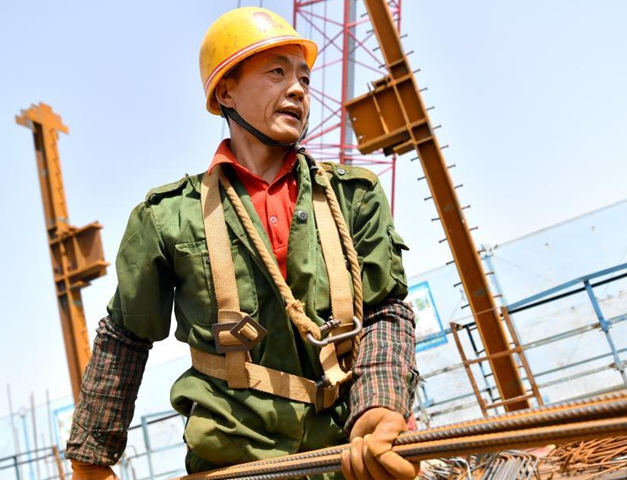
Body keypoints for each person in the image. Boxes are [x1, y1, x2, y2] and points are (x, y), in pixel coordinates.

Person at [65, 7, 419, 480]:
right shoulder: (169, 217)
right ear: (225, 90)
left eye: (304, 79)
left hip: (345, 453)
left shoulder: (353, 196)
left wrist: (380, 407)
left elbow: (385, 312)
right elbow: (125, 339)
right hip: (232, 464)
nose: (297, 89)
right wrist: (92, 459)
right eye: (276, 73)